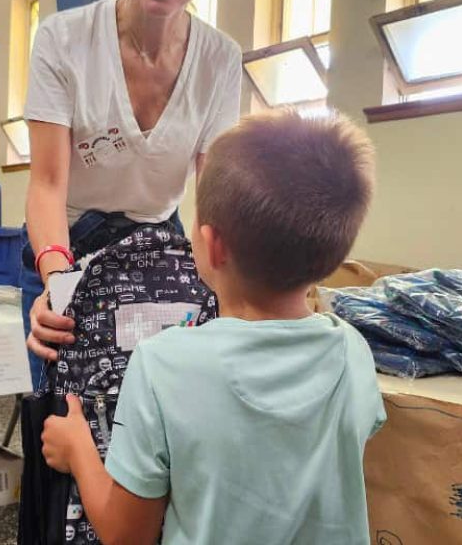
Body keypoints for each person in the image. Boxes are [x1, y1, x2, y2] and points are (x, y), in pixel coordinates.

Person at [41, 110, 387, 545]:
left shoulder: (162, 363)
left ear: (213, 245)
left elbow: (126, 535)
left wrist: (77, 450)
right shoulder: (353, 351)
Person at [21, 0, 242, 387]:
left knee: (157, 401)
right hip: (68, 242)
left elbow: (214, 198)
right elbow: (47, 183)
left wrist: (227, 294)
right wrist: (58, 287)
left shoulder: (220, 58)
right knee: (65, 405)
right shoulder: (63, 39)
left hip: (159, 246)